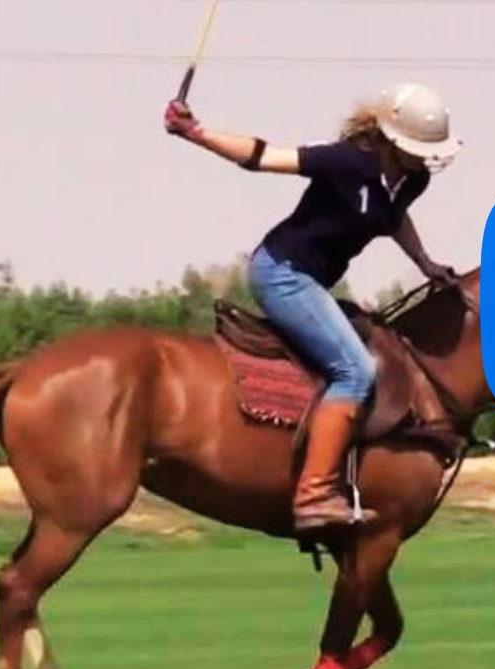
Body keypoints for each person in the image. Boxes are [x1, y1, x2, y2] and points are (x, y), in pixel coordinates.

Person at [162, 83, 462, 534]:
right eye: (419, 149)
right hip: (281, 272)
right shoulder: (347, 161)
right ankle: (314, 494)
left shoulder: (413, 178)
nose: (427, 159)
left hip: (315, 281)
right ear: (391, 139)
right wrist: (195, 132)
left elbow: (394, 214)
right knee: (355, 371)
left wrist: (425, 262)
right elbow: (264, 157)